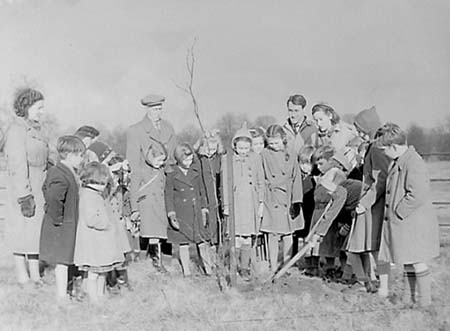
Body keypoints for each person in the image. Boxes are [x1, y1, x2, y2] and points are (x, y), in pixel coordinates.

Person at [376, 123, 439, 307]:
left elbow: (417, 193)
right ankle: (409, 298)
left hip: (413, 223)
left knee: (418, 261)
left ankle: (424, 302)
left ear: (393, 147)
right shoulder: (399, 161)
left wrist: (398, 211)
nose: (383, 154)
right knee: (408, 261)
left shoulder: (413, 162)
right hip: (406, 223)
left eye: (384, 150)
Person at [3, 88, 49, 286]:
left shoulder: (35, 130)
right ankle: (23, 277)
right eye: (38, 108)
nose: (41, 112)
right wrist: (24, 196)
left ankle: (36, 275)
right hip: (24, 188)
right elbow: (17, 164)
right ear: (26, 107)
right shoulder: (16, 130)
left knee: (33, 233)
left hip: (38, 187)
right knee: (21, 232)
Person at [126, 94, 177, 270]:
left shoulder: (168, 127)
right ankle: (150, 265)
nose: (158, 112)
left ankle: (166, 263)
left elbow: (173, 156)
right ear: (147, 110)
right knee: (150, 226)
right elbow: (133, 162)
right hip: (147, 182)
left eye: (160, 108)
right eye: (155, 109)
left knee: (166, 226)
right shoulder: (136, 130)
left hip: (165, 180)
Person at [39, 136, 85, 304]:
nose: (82, 159)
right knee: (62, 262)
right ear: (70, 155)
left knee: (65, 260)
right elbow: (53, 197)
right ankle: (61, 296)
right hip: (61, 225)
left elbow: (45, 188)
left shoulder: (62, 171)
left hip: (64, 223)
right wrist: (58, 218)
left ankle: (68, 291)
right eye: (80, 155)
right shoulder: (61, 174)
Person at [353, 106, 391, 297]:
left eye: (361, 130)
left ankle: (381, 285)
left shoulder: (377, 148)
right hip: (370, 203)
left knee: (376, 247)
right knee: (370, 247)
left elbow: (380, 180)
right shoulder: (373, 146)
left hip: (373, 205)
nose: (359, 134)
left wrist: (364, 203)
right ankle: (374, 282)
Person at [74, 162, 125, 304]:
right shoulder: (88, 196)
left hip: (100, 242)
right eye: (102, 183)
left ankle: (101, 294)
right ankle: (93, 297)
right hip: (93, 242)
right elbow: (91, 219)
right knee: (93, 273)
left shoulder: (95, 194)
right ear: (92, 181)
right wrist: (107, 224)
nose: (104, 186)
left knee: (102, 270)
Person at [221, 123, 265, 280]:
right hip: (236, 205)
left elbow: (261, 182)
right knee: (236, 236)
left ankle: (245, 267)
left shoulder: (256, 159)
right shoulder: (228, 160)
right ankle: (233, 265)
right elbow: (225, 184)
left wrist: (261, 203)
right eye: (241, 148)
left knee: (247, 236)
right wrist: (226, 205)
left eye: (247, 148)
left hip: (250, 204)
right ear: (235, 146)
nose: (244, 151)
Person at [259, 124, 304, 271]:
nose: (274, 146)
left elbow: (297, 178)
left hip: (288, 198)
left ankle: (286, 264)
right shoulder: (264, 155)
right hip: (271, 198)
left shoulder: (291, 154)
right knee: (272, 234)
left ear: (283, 139)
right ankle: (272, 265)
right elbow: (261, 176)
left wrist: (297, 201)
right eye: (271, 143)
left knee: (288, 233)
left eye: (276, 143)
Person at [165, 143, 210, 276]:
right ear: (178, 159)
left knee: (202, 241)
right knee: (183, 243)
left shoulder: (196, 171)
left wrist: (204, 207)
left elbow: (202, 190)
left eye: (191, 159)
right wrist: (171, 213)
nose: (189, 162)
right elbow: (168, 195)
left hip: (196, 211)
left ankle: (209, 269)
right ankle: (186, 271)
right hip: (181, 213)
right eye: (186, 160)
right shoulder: (172, 174)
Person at [195, 129, 224, 267]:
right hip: (205, 197)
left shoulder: (219, 159)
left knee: (217, 228)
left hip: (217, 199)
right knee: (207, 228)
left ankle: (216, 258)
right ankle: (206, 262)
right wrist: (202, 138)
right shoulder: (200, 160)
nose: (210, 151)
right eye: (208, 148)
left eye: (213, 148)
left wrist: (216, 136)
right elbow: (192, 151)